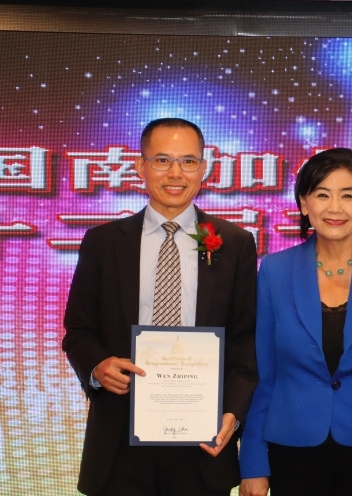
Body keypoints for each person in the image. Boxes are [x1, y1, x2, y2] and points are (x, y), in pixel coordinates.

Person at [62, 118, 258, 496]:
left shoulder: (235, 243)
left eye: (188, 161)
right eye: (162, 160)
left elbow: (244, 337)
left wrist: (233, 413)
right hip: (120, 437)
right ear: (140, 166)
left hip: (202, 438)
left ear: (203, 168)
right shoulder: (103, 242)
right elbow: (79, 330)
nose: (175, 173)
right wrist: (97, 366)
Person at [238, 148, 352, 496]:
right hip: (293, 448)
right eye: (322, 194)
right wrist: (253, 462)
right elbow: (265, 374)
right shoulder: (275, 271)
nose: (335, 207)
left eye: (348, 195)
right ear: (304, 203)